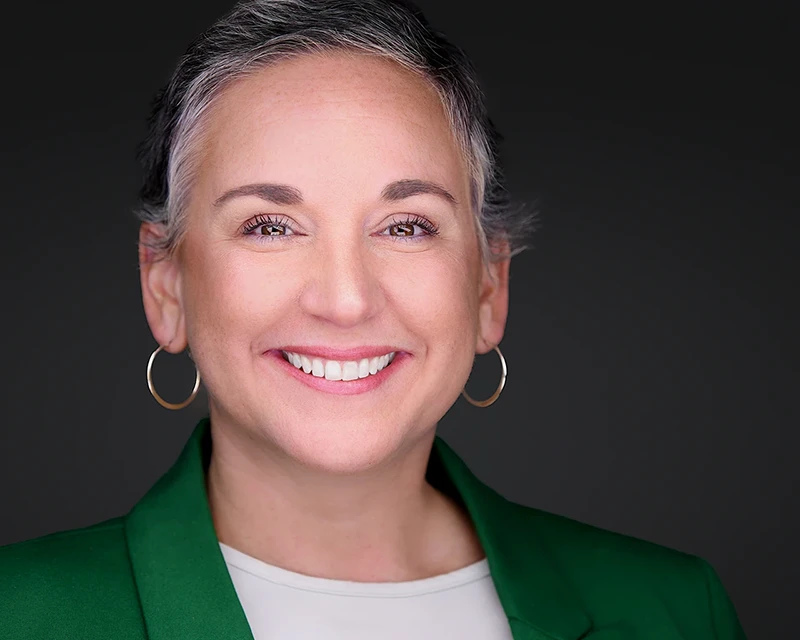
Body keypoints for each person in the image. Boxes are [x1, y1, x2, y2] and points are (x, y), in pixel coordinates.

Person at [0, 1, 746, 638]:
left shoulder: (674, 610)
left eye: (406, 226)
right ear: (165, 285)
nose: (347, 298)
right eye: (269, 226)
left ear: (489, 287)